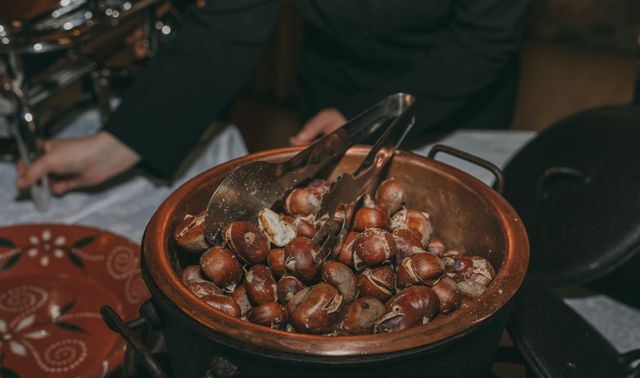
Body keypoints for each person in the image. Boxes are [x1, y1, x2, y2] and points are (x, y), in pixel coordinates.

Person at [16, 0, 529, 195]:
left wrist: (365, 115)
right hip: (335, 75)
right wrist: (120, 142)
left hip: (452, 92)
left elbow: (484, 38)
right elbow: (233, 15)